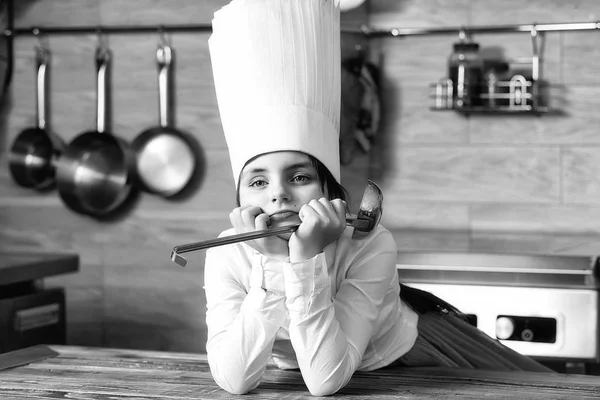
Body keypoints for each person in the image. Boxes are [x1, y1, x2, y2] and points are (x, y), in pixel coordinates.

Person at [204, 0, 552, 397]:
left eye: (299, 176)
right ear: (239, 197)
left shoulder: (370, 243)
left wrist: (301, 260)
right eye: (258, 182)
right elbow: (233, 379)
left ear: (329, 188)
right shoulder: (226, 254)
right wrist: (274, 263)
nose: (279, 193)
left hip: (413, 364)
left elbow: (325, 380)